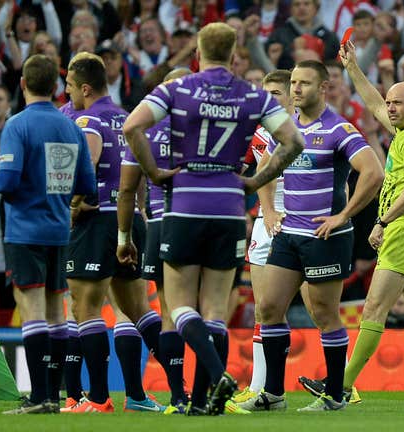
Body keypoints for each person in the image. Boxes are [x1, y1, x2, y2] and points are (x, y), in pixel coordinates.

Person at [121, 22, 304, 416]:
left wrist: (153, 173)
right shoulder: (253, 95)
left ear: (198, 55)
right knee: (216, 310)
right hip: (229, 208)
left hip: (184, 205)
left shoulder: (176, 89)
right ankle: (204, 405)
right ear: (236, 56)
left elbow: (132, 126)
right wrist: (256, 181)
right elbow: (294, 141)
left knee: (179, 304)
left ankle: (215, 376)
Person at [300, 41, 404, 407]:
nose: (389, 108)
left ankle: (339, 386)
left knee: (374, 309)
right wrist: (353, 67)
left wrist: (383, 221)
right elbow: (372, 103)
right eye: (389, 102)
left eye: (397, 103)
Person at [238, 60, 383, 412]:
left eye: (304, 83)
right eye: (294, 83)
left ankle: (335, 395)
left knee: (324, 313)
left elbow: (373, 172)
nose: (296, 89)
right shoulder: (287, 131)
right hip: (288, 233)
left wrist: (343, 216)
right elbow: (266, 169)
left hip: (324, 236)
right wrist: (264, 205)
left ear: (323, 88)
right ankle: (272, 394)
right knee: (269, 307)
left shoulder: (338, 129)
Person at [0, 54, 96, 414]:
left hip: (25, 230)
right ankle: (55, 396)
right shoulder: (70, 126)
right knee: (56, 313)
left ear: (23, 84)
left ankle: (40, 397)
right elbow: (88, 185)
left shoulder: (18, 125)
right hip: (60, 230)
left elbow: (9, 182)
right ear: (57, 87)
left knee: (30, 310)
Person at [63, 53, 164, 414]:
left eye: (71, 87)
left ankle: (99, 399)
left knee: (85, 308)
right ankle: (181, 391)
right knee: (139, 309)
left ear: (85, 88)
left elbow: (87, 163)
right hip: (130, 218)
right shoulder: (126, 117)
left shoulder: (88, 119)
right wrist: (136, 214)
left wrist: (74, 205)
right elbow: (138, 176)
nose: (67, 93)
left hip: (97, 220)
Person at [117, 67, 192, 413]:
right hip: (203, 221)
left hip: (160, 225)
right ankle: (205, 390)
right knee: (208, 309)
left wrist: (127, 233)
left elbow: (128, 190)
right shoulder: (203, 127)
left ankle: (178, 395)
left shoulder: (144, 131)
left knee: (167, 313)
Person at [231, 69, 297, 405]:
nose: (268, 98)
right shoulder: (254, 132)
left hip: (301, 219)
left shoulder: (307, 129)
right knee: (264, 308)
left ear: (292, 95)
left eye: (276, 92)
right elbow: (245, 172)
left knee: (320, 309)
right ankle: (260, 387)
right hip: (264, 221)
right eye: (264, 92)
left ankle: (340, 382)